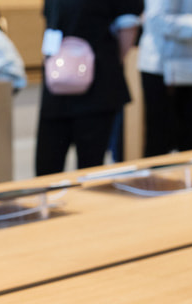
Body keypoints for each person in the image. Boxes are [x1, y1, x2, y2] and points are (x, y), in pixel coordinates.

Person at [35, 0, 143, 176]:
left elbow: (128, 27)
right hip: (56, 85)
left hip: (97, 86)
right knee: (47, 166)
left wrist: (107, 63)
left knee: (90, 168)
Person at [137, 0, 192, 155]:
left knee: (191, 137)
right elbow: (157, 19)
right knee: (160, 141)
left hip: (189, 64)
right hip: (161, 66)